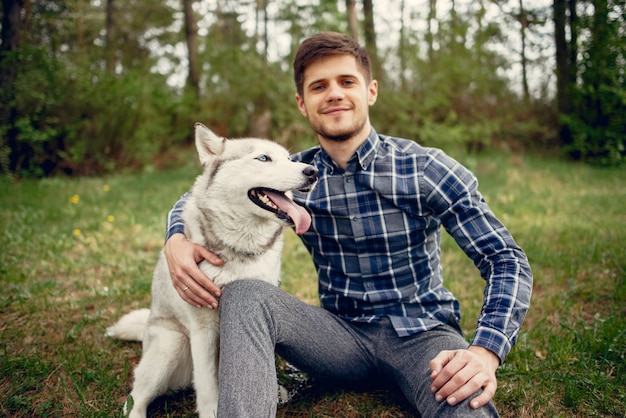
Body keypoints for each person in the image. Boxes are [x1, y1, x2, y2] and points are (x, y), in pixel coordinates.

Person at [163, 32, 532, 417]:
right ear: (302, 104)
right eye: (319, 86)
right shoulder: (295, 176)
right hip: (338, 340)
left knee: (463, 403)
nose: (334, 94)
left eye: (347, 82)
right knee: (245, 295)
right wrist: (175, 238)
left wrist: (485, 350)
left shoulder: (424, 168)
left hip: (423, 336)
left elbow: (504, 257)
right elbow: (210, 192)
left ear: (370, 91)